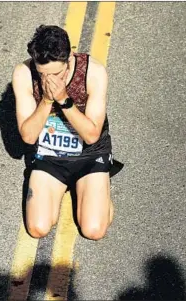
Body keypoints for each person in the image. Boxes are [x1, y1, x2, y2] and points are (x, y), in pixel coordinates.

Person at [12, 25, 114, 240]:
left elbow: (92, 135)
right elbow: (28, 136)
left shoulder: (93, 72)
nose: (49, 80)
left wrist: (64, 100)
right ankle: (68, 189)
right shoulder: (23, 73)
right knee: (38, 228)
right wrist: (47, 100)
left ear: (69, 60)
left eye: (56, 73)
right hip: (49, 155)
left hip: (89, 154)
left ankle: (98, 191)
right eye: (42, 74)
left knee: (93, 230)